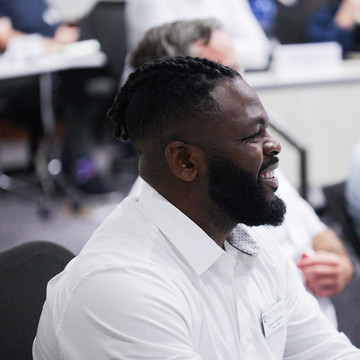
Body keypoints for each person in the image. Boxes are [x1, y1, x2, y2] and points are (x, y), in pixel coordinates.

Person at [33, 56, 360, 359]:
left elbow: (324, 351)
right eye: (252, 136)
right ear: (185, 160)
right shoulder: (120, 287)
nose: (273, 146)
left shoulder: (251, 245)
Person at [128, 18, 355, 329]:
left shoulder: (251, 160)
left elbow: (317, 231)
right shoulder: (162, 228)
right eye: (225, 74)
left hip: (311, 328)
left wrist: (338, 262)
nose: (243, 88)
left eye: (238, 71)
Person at [0, 0, 112, 193]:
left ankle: (73, 157)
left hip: (52, 72)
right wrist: (50, 44)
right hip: (17, 79)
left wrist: (67, 34)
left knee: (92, 89)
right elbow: (4, 36)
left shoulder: (39, 3)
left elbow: (56, 28)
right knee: (74, 93)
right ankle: (81, 167)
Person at [122, 0, 270, 83]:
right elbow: (168, 56)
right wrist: (221, 49)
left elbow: (260, 52)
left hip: (214, 88)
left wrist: (216, 50)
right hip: (159, 95)